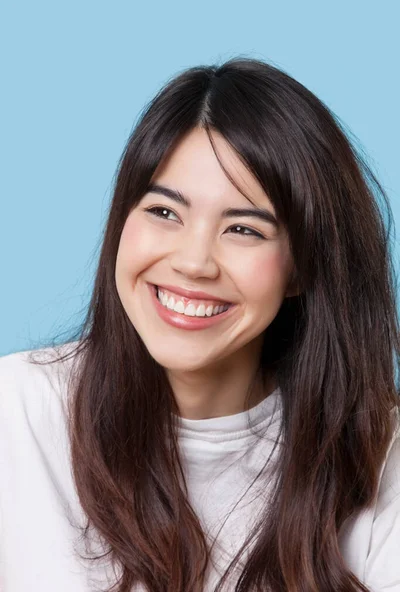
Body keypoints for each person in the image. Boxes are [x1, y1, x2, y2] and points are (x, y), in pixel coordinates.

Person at [0, 57, 399, 592]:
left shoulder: (381, 454)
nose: (193, 262)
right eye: (164, 212)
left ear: (302, 269)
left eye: (243, 229)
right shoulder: (17, 413)